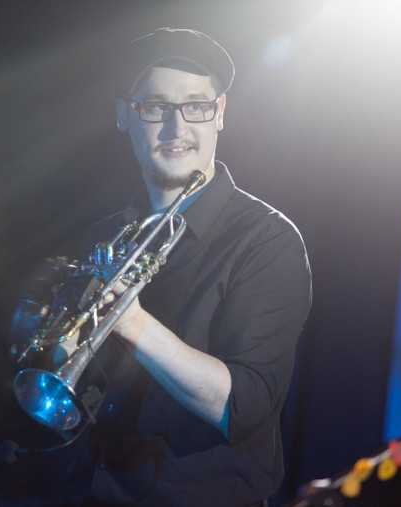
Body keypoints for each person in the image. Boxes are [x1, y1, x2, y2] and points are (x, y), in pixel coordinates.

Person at [73, 27, 313, 507]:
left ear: (220, 113)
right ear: (123, 116)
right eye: (155, 106)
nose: (176, 127)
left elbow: (240, 407)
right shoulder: (104, 235)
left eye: (196, 106)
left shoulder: (268, 242)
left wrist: (132, 322)